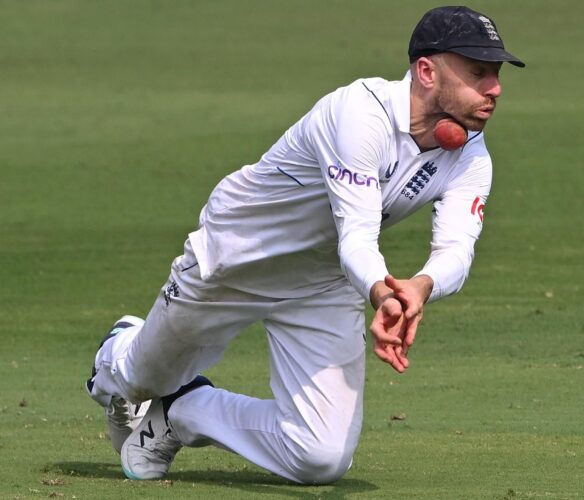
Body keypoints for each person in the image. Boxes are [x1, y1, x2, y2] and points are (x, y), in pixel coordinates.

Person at [86, 5, 524, 485]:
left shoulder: (472, 156)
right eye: (478, 73)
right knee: (137, 381)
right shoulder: (360, 114)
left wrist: (419, 288)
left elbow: (457, 250)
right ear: (426, 71)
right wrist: (381, 292)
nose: (494, 88)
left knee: (321, 458)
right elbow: (356, 235)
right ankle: (119, 344)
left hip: (321, 283)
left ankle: (182, 412)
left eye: (496, 74)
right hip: (238, 257)